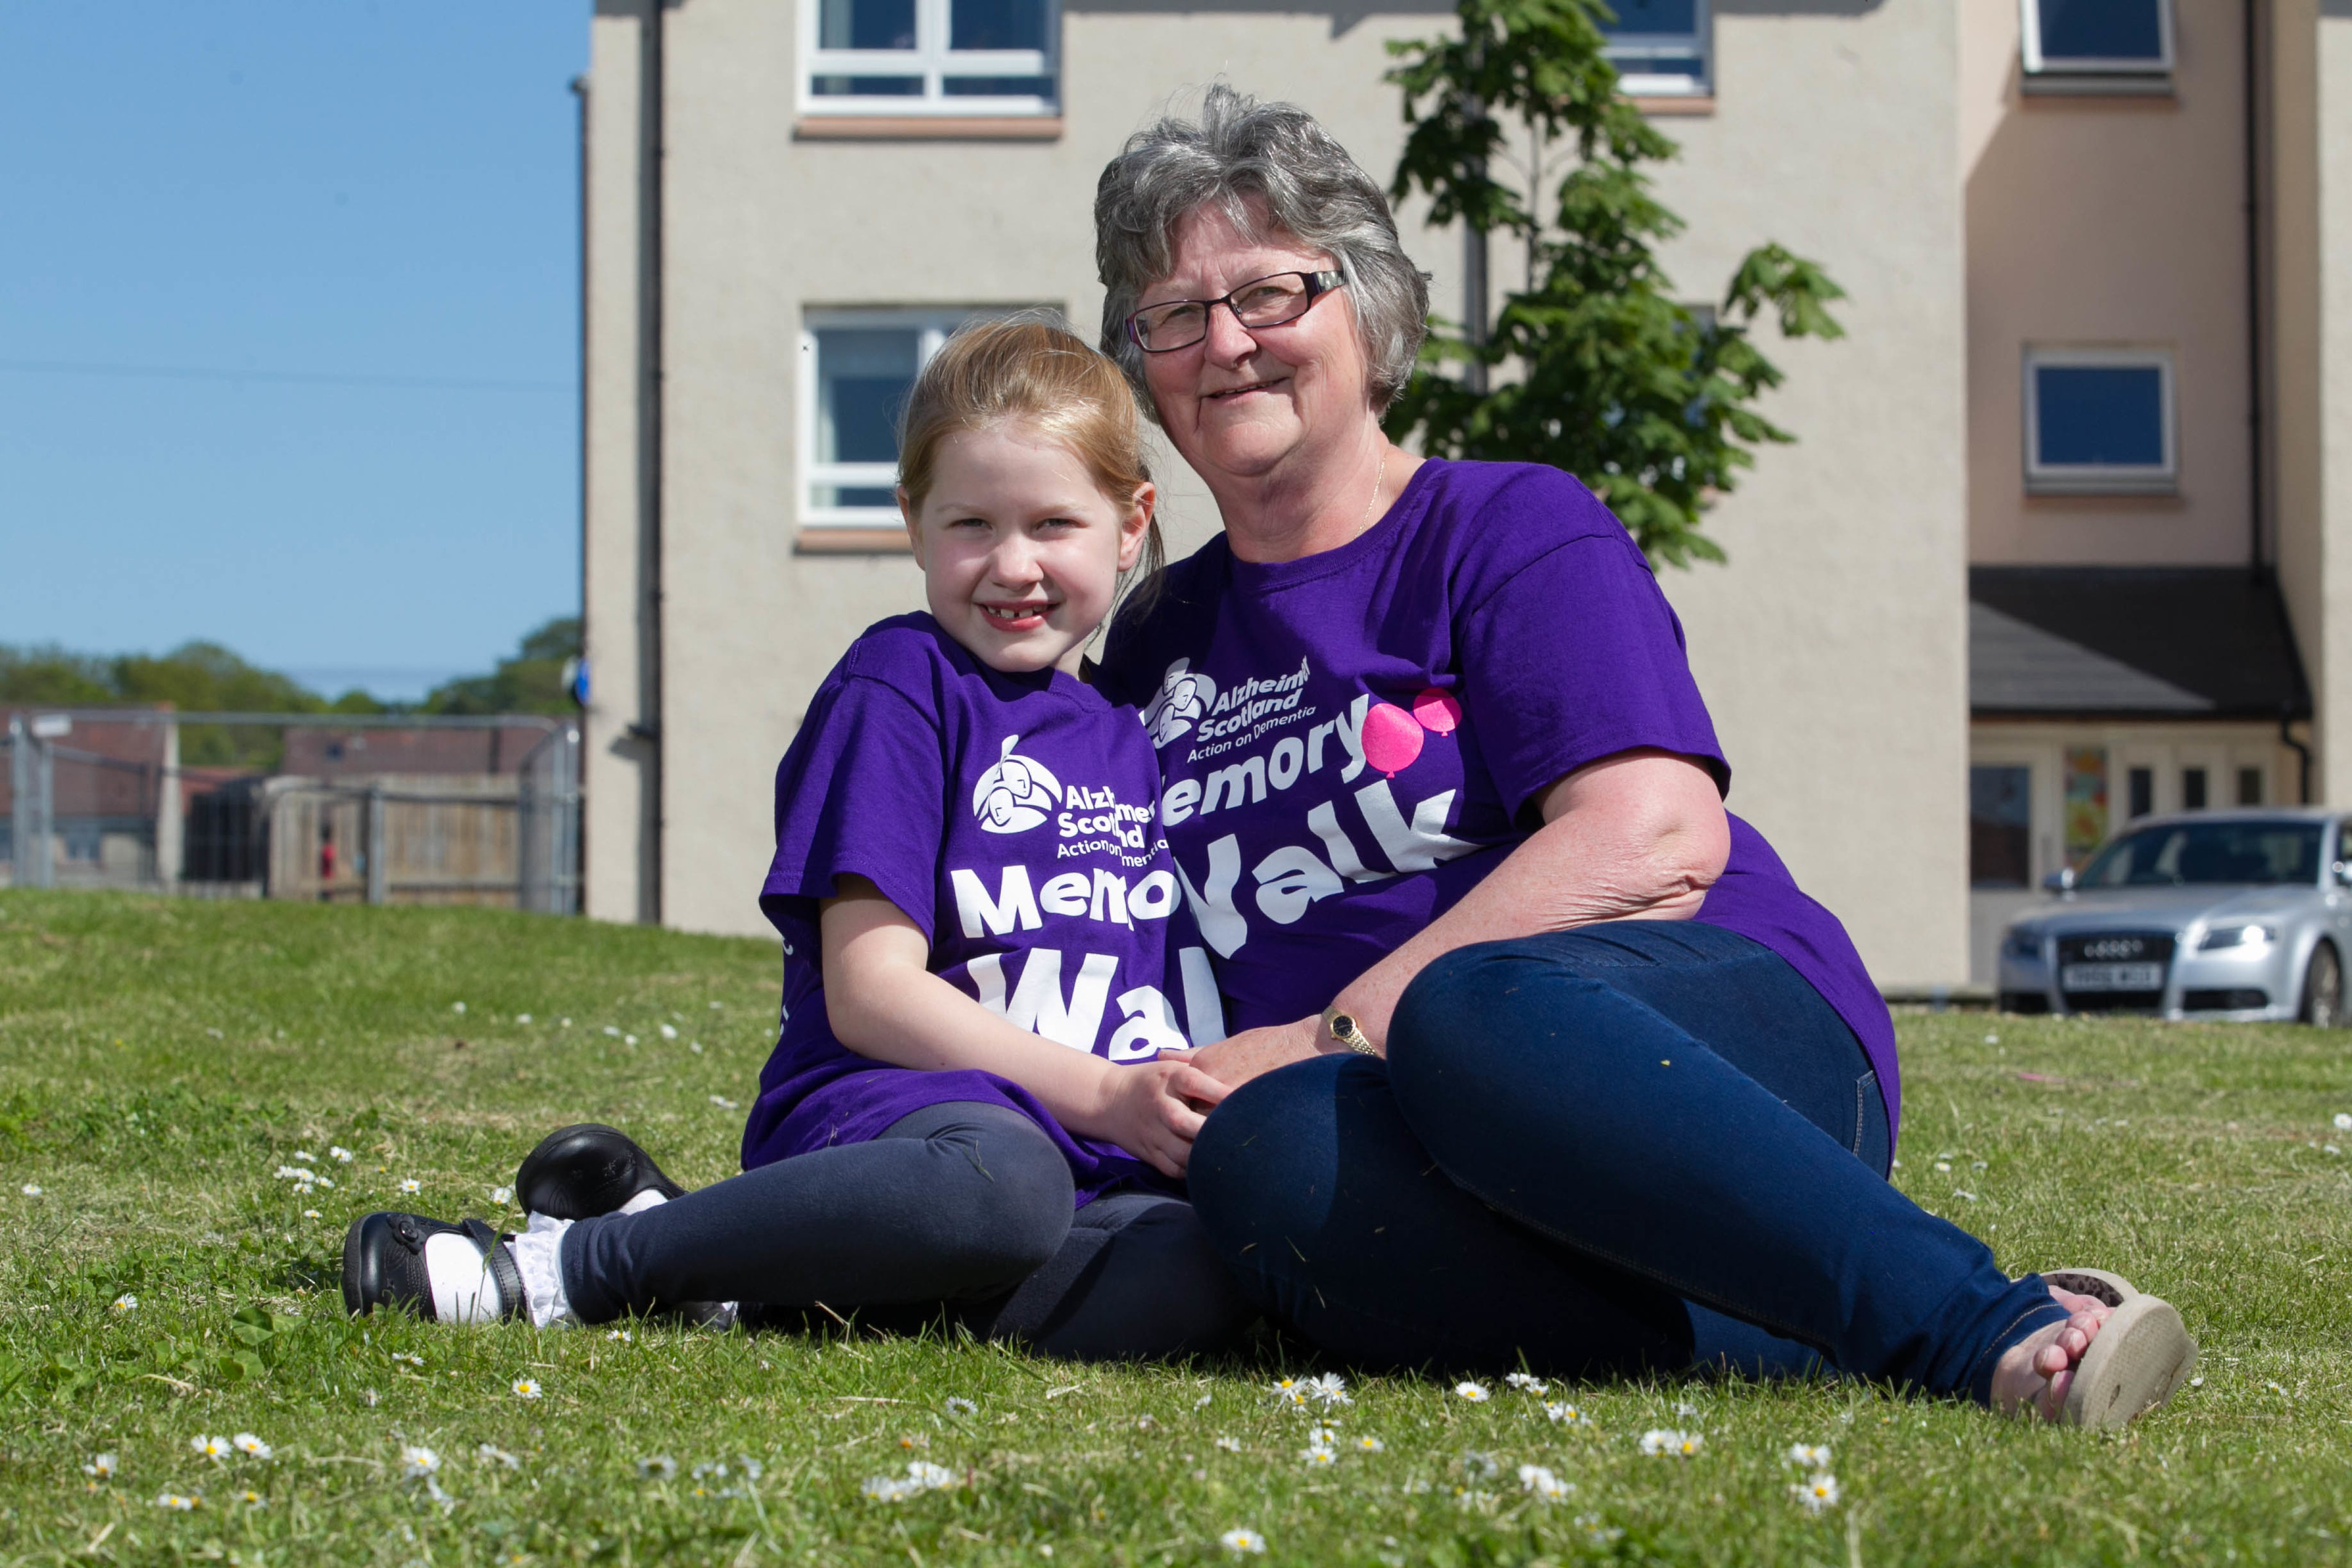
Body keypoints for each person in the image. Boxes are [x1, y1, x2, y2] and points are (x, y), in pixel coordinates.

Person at [1088, 86, 2196, 1425]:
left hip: (1697, 1062)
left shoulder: (1505, 526)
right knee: (1262, 1162)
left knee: (1468, 1006)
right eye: (1173, 316)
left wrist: (1330, 1030)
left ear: (1366, 310)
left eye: (1270, 294)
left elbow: (1656, 839)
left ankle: (1987, 1321)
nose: (1226, 345)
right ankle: (1805, 1326)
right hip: (1405, 1136)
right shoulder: (1150, 643)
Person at [340, 318, 1252, 1359]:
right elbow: (870, 992)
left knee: (1197, 1269)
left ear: (1130, 524)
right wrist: (1098, 1095)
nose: (1013, 564)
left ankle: (736, 1273)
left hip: (1078, 1162)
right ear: (912, 521)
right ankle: (566, 1271)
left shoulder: (1128, 734)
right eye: (971, 524)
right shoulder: (902, 685)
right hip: (908, 1123)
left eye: (1053, 523)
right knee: (1004, 1189)